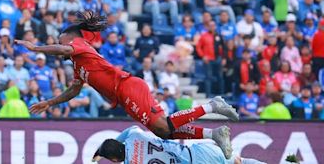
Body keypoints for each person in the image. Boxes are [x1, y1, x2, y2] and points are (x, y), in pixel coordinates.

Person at [16, 11, 238, 152]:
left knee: (162, 125)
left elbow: (64, 48)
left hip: (127, 87)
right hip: (124, 95)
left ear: (71, 38)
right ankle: (213, 134)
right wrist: (50, 103)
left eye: (60, 39)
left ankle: (212, 105)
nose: (59, 43)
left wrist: (36, 48)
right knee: (162, 132)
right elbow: (74, 89)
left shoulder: (80, 46)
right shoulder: (78, 65)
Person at [92, 126, 265, 163]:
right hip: (200, 150)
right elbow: (129, 130)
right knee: (239, 162)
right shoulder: (134, 136)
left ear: (115, 160)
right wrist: (100, 151)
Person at [196, 21, 225, 97]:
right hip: (208, 59)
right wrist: (203, 56)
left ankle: (221, 94)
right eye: (210, 26)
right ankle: (208, 94)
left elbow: (223, 47)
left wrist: (223, 58)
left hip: (218, 58)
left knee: (220, 77)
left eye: (213, 25)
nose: (212, 27)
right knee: (208, 77)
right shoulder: (203, 36)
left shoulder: (219, 36)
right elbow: (198, 47)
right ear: (207, 27)